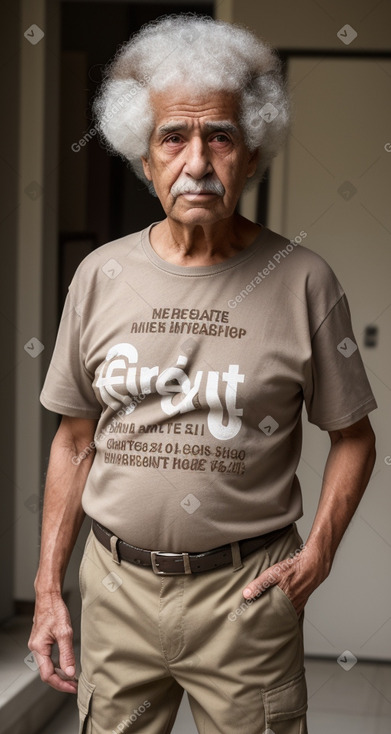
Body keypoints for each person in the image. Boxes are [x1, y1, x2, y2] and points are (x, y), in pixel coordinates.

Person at [28, 14, 377, 734]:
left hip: (245, 599)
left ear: (252, 154)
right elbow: (72, 439)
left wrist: (319, 553)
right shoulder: (99, 276)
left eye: (218, 136)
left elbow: (353, 436)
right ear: (144, 159)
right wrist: (48, 591)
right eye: (172, 138)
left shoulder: (304, 281)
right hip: (115, 588)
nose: (196, 162)